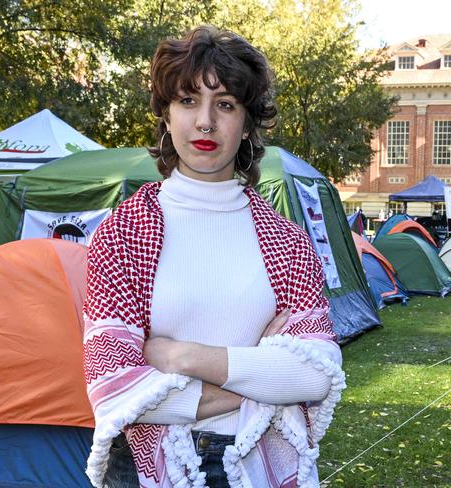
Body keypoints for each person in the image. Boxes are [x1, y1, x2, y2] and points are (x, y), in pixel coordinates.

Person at [82, 26, 344, 488]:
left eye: (225, 104)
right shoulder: (122, 234)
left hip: (260, 461)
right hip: (151, 467)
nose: (205, 121)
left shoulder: (287, 240)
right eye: (187, 101)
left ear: (246, 123)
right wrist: (258, 368)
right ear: (165, 115)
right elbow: (114, 389)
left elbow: (316, 375)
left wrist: (180, 355)